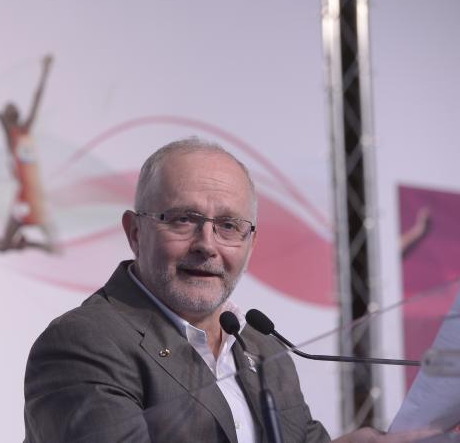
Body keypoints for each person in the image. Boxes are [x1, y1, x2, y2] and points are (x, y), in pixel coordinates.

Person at [24, 138, 434, 442]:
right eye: (183, 219)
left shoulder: (263, 347)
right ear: (135, 232)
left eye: (228, 226)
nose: (207, 244)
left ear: (251, 243)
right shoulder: (83, 344)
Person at [0, 54, 57, 253]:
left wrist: (45, 73)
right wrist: (1, 118)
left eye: (13, 107)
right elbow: (3, 118)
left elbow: (35, 101)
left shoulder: (24, 131)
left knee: (51, 244)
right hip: (24, 195)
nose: (12, 108)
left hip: (33, 193)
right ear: (8, 116)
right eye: (9, 109)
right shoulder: (11, 135)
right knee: (4, 245)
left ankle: (26, 243)